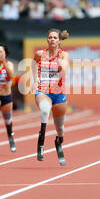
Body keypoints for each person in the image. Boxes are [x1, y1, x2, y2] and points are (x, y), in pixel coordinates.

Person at [32, 29, 70, 166]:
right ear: (47, 40)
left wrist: (61, 64)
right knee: (44, 110)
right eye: (50, 37)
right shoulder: (40, 54)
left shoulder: (64, 55)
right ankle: (41, 140)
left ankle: (58, 142)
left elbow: (65, 69)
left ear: (59, 40)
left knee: (60, 128)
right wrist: (35, 80)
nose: (52, 39)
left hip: (59, 94)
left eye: (55, 37)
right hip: (43, 91)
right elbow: (34, 63)